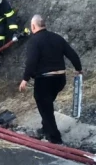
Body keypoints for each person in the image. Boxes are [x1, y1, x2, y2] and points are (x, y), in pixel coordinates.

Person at [19, 15, 82, 145]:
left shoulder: (34, 41)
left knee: (44, 106)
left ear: (33, 26)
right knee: (46, 105)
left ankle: (55, 138)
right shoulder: (57, 37)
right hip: (60, 79)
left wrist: (25, 79)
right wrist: (78, 68)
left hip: (45, 80)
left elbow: (31, 62)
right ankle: (45, 128)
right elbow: (72, 54)